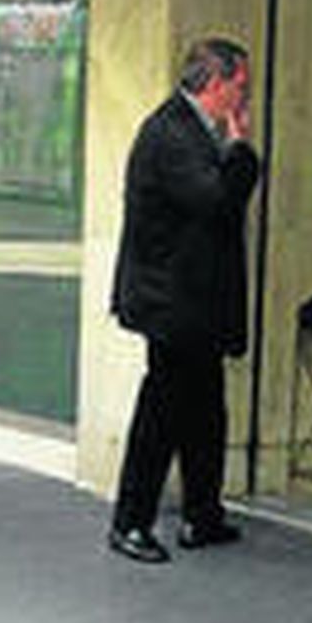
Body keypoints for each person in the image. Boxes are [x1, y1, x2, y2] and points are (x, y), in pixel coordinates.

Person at [107, 37, 259, 564]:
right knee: (163, 413)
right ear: (214, 82)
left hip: (195, 304)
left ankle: (202, 515)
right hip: (171, 304)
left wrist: (232, 148)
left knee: (205, 412)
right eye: (240, 85)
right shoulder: (171, 133)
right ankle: (130, 522)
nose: (245, 97)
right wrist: (241, 151)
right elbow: (217, 201)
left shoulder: (196, 130)